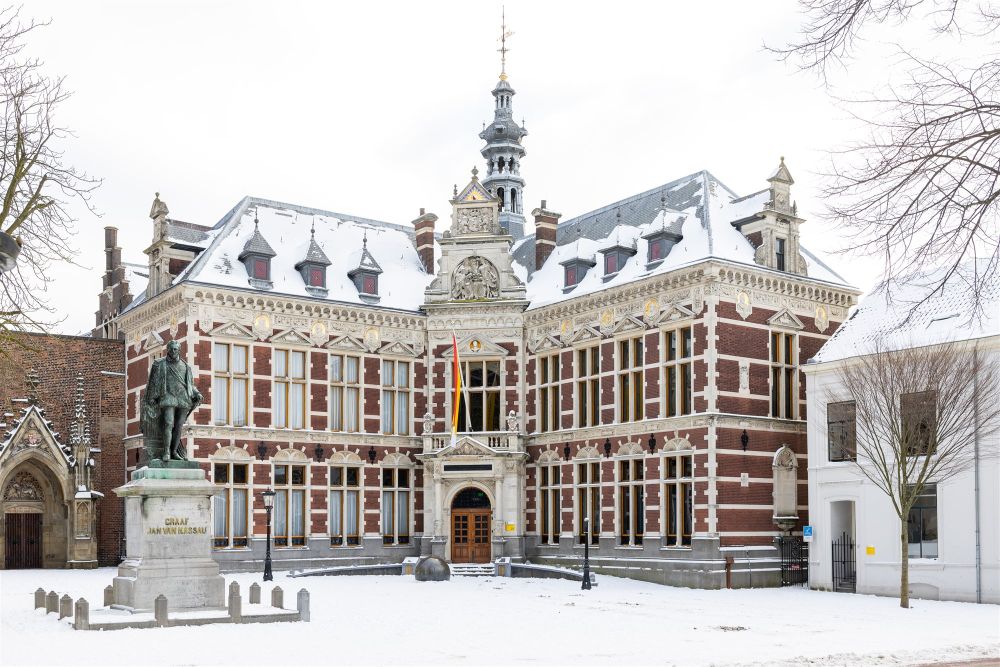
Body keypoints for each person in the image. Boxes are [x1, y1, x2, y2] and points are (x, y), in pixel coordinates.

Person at [141, 340, 202, 462]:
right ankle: (166, 451)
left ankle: (174, 451)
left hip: (183, 399)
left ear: (179, 350)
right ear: (167, 350)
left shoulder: (186, 367)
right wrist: (152, 397)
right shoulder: (159, 364)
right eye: (171, 349)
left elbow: (190, 385)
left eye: (175, 349)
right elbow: (153, 382)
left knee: (179, 427)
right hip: (168, 397)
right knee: (169, 423)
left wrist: (197, 393)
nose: (173, 351)